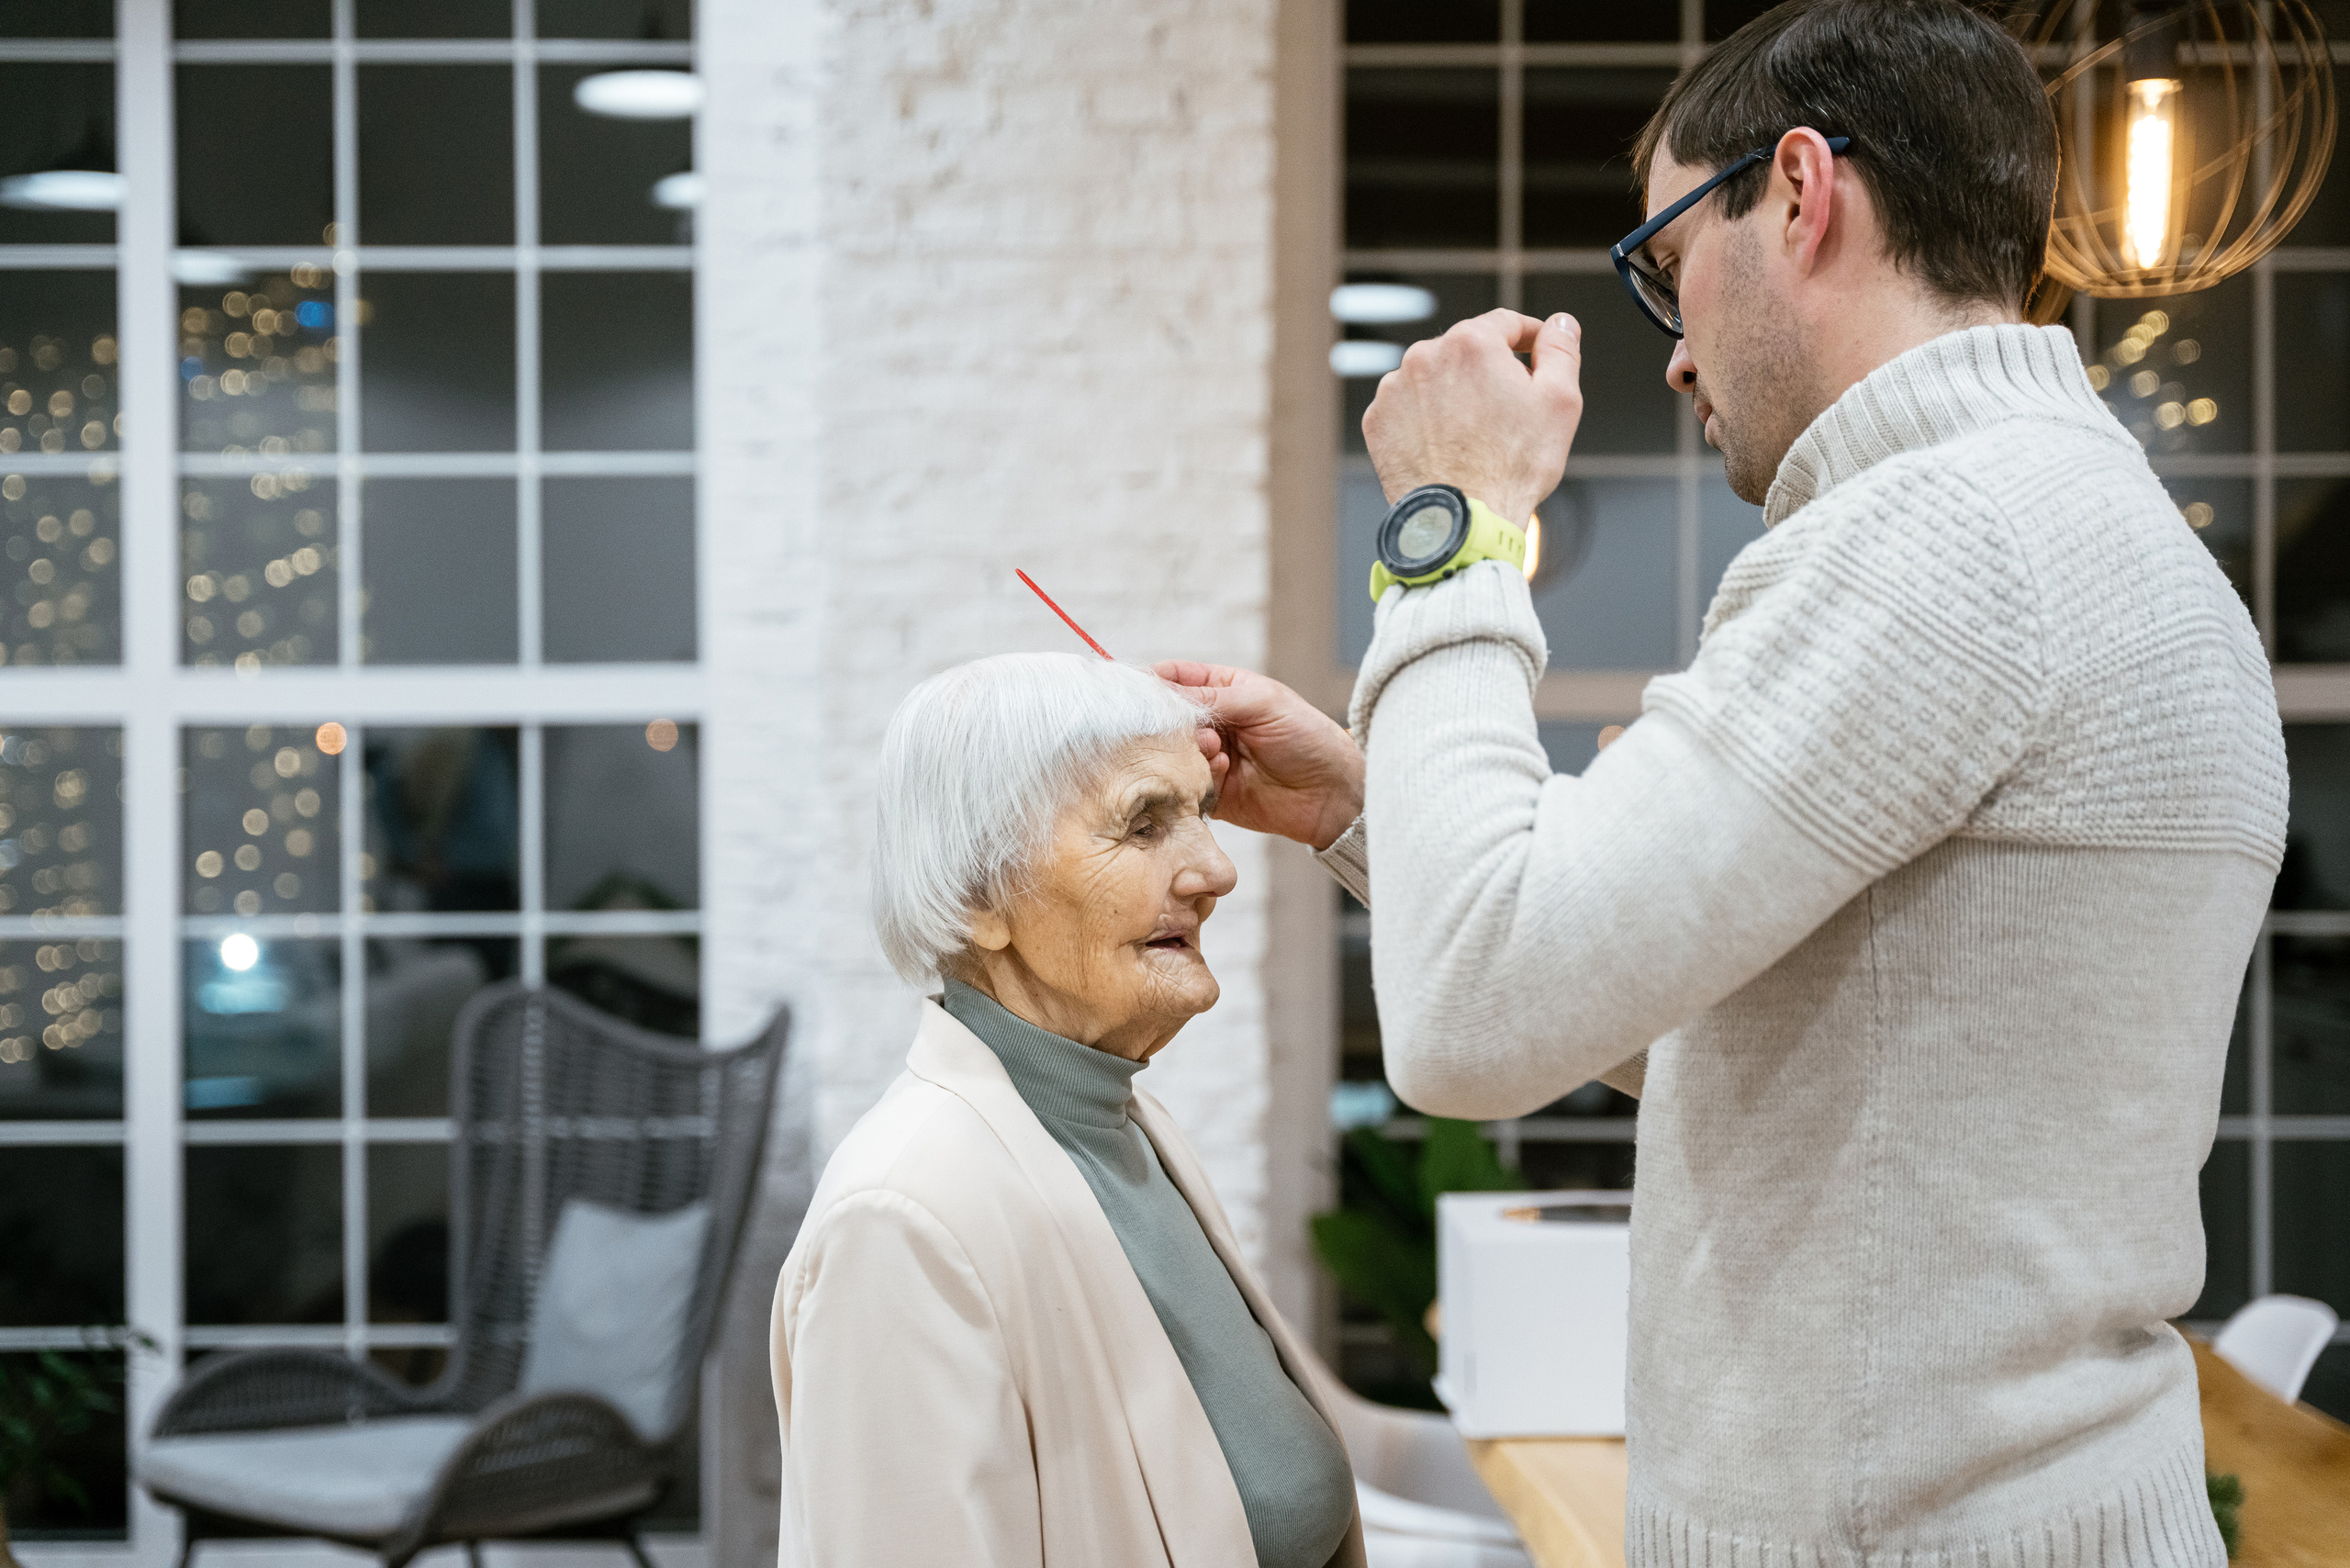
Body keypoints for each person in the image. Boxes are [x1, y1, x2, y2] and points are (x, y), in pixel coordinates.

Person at [1160, 1, 2285, 1562]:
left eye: (1666, 263)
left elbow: (1471, 1016)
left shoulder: (1938, 538)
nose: (1675, 346)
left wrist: (1457, 521)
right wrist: (1368, 812)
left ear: (1803, 192)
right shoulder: (2086, 522)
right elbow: (1742, 1030)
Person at [769, 652, 1364, 1568]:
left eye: (1199, 814)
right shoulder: (900, 1221)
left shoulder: (1126, 1127)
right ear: (978, 896)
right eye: (1142, 823)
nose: (1216, 870)